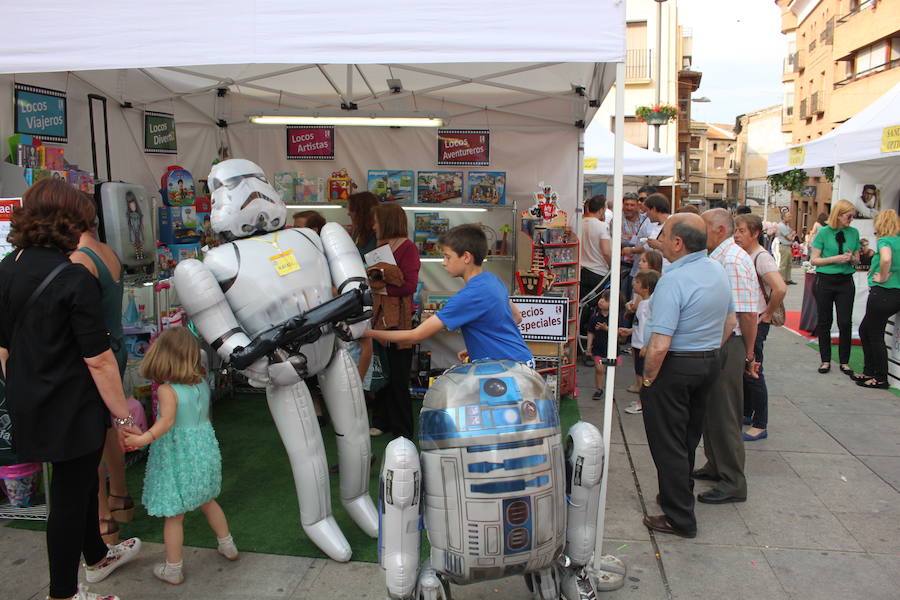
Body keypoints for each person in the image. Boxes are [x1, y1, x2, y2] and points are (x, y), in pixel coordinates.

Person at [0, 178, 141, 600]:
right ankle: (63, 592)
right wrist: (122, 416)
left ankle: (97, 555)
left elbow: (3, 347)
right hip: (73, 402)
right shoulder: (73, 276)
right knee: (69, 493)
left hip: (27, 398)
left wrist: (23, 385)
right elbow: (98, 359)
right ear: (70, 220)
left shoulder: (7, 267)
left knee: (76, 484)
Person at [640, 213, 735, 539]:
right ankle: (675, 494)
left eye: (664, 235)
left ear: (678, 243)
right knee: (686, 439)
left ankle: (680, 517)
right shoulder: (716, 270)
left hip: (676, 367)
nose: (660, 240)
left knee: (668, 443)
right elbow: (730, 323)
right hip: (706, 363)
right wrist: (706, 350)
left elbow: (660, 343)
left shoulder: (673, 280)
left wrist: (649, 380)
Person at [123, 327, 238, 585]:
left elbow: (166, 422)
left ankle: (173, 569)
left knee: (174, 516)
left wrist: (143, 438)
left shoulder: (167, 390)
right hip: (203, 448)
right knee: (208, 500)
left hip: (178, 455)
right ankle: (228, 545)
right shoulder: (201, 383)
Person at [364, 224, 530, 366]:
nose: (444, 262)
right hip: (521, 360)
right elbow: (516, 317)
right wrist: (479, 345)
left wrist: (367, 333)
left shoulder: (469, 296)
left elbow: (415, 335)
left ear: (466, 257)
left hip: (507, 370)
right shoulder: (492, 280)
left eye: (447, 256)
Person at [70, 202, 132, 546]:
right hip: (116, 346)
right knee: (109, 424)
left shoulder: (79, 259)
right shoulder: (107, 251)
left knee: (90, 433)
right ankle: (120, 497)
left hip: (97, 353)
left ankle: (103, 514)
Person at [693, 208, 758, 505]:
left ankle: (733, 481)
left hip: (728, 344)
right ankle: (716, 464)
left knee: (725, 413)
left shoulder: (730, 259)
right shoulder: (719, 257)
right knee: (712, 410)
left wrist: (748, 354)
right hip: (718, 342)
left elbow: (745, 314)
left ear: (719, 229)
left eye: (704, 226)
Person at [366, 202, 420, 439]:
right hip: (378, 319)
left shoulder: (408, 248)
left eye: (376, 220)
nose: (373, 225)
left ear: (386, 221)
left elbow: (409, 285)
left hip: (400, 322)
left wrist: (381, 290)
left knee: (398, 376)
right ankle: (381, 420)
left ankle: (401, 428)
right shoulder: (378, 246)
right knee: (381, 372)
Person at [734, 214, 787, 442]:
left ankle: (760, 423)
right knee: (746, 372)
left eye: (742, 230)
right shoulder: (745, 254)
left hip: (755, 322)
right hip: (746, 320)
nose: (737, 235)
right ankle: (747, 413)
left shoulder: (761, 257)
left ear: (755, 233)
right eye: (735, 230)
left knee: (754, 370)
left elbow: (780, 288)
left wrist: (766, 313)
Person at [810, 200, 860, 376]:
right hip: (825, 280)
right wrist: (835, 259)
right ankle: (825, 360)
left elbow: (857, 258)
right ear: (838, 215)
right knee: (825, 320)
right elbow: (814, 260)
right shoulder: (823, 232)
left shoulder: (853, 233)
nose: (851, 219)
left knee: (845, 321)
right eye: (849, 216)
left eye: (853, 216)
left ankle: (844, 361)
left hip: (845, 280)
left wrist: (852, 258)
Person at [855, 210, 900, 389]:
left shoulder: (885, 240)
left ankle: (880, 377)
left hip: (883, 292)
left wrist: (881, 276)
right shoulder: (898, 240)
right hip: (894, 293)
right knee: (866, 330)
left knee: (874, 334)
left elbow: (886, 258)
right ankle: (870, 371)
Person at [347, 192, 379, 382]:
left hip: (367, 294)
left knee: (364, 340)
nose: (349, 213)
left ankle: (362, 386)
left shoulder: (375, 236)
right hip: (355, 293)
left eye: (352, 209)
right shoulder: (358, 233)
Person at [618, 269, 660, 414]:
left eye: (637, 282)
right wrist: (630, 331)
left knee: (642, 375)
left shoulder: (649, 304)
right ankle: (642, 400)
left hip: (642, 345)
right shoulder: (643, 303)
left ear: (646, 287)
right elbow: (640, 325)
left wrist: (646, 345)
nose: (633, 284)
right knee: (638, 372)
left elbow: (650, 325)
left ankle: (642, 403)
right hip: (637, 343)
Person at [580, 194, 612, 344]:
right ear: (601, 210)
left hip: (582, 270)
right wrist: (613, 267)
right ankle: (593, 343)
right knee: (597, 309)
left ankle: (580, 340)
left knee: (581, 308)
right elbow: (606, 251)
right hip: (599, 272)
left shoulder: (580, 223)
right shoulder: (602, 226)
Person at [776, 210, 796, 284]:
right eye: (789, 216)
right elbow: (789, 237)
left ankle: (788, 278)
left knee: (789, 263)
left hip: (788, 246)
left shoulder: (786, 225)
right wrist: (793, 234)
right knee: (784, 264)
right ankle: (782, 279)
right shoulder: (781, 226)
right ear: (784, 217)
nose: (790, 218)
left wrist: (792, 234)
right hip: (784, 246)